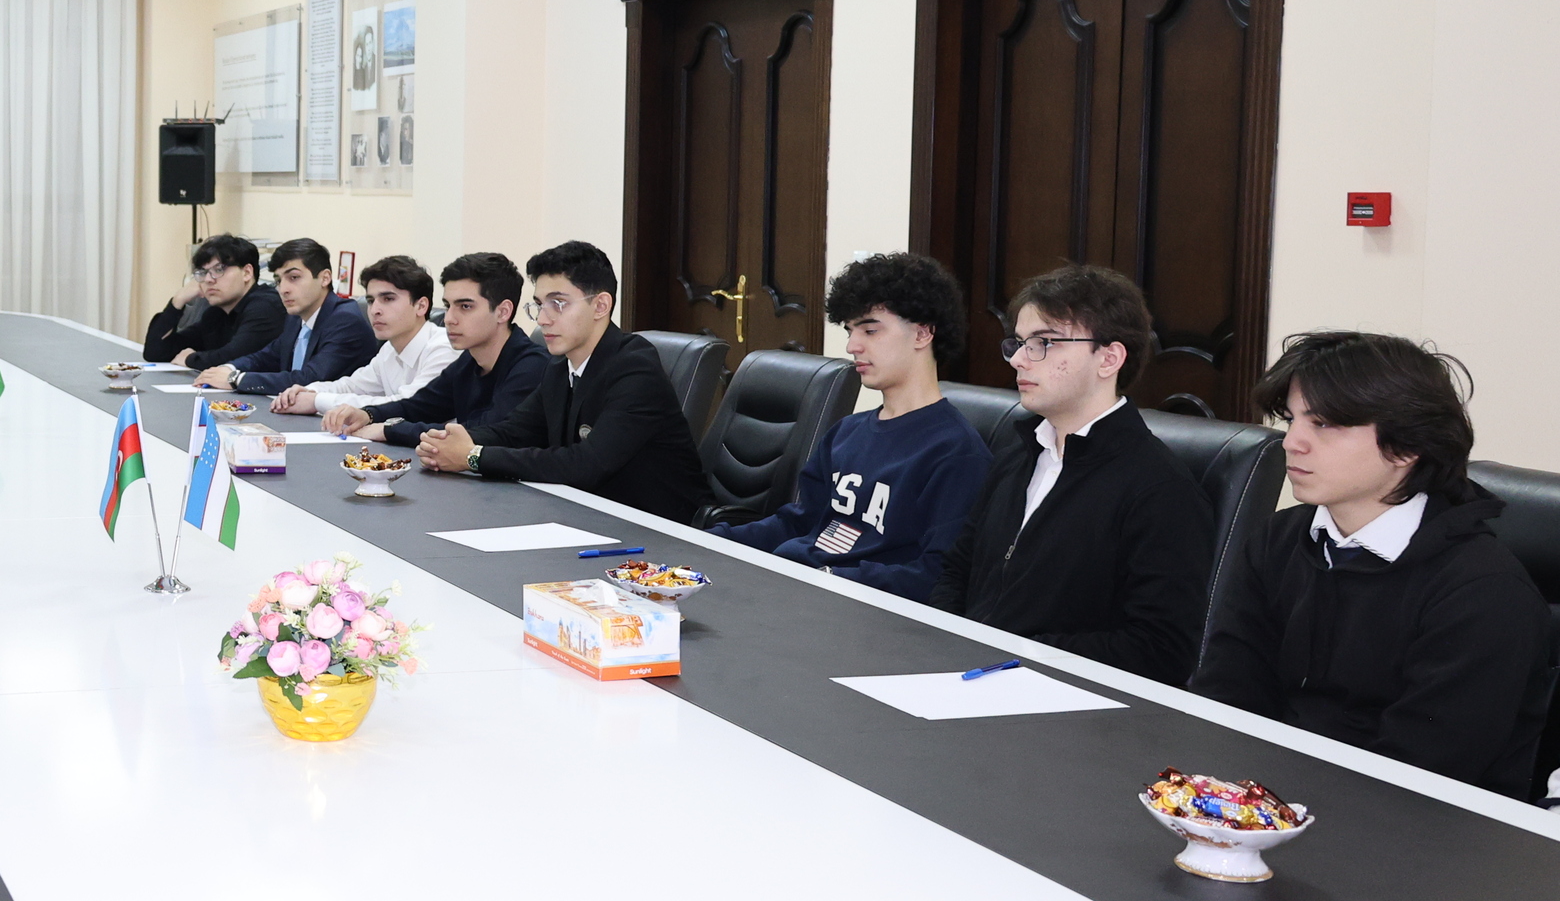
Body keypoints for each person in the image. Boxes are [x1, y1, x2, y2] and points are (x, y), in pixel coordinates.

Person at [1191, 332, 1553, 796]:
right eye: (1292, 419)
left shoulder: (1484, 592)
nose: (1292, 442)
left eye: (1324, 424)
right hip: (1267, 800)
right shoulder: (1278, 540)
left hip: (1416, 822)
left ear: (1405, 447)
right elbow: (1227, 699)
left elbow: (1422, 775)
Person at [930, 264, 1213, 685]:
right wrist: (945, 642)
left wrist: (1018, 655)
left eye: (1043, 343)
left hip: (1060, 697)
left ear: (1109, 359)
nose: (1019, 359)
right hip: (970, 673)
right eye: (1019, 343)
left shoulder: (1160, 488)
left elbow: (1161, 649)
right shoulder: (1017, 455)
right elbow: (958, 570)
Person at [717, 253, 993, 600]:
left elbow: (935, 576)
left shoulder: (957, 454)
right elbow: (798, 523)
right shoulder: (846, 432)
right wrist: (706, 542)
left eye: (870, 330)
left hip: (856, 609)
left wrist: (825, 579)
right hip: (797, 587)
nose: (852, 346)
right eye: (850, 331)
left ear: (923, 333)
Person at [420, 241, 707, 518]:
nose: (542, 319)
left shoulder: (635, 368)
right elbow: (514, 432)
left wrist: (473, 456)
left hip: (666, 529)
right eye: (539, 304)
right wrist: (444, 443)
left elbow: (586, 464)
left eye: (558, 304)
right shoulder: (560, 366)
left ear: (600, 306)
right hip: (590, 514)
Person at [326, 251, 550, 448]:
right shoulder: (469, 361)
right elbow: (421, 406)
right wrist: (368, 414)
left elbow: (485, 432)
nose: (449, 318)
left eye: (465, 306)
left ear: (503, 312)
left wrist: (390, 430)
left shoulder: (532, 365)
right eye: (448, 305)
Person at [273, 254, 450, 418]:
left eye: (388, 299)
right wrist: (309, 391)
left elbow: (407, 405)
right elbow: (351, 386)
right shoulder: (389, 349)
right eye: (371, 301)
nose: (374, 310)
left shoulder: (444, 348)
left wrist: (317, 401)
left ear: (421, 306)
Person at [199, 237, 377, 392]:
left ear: (325, 278)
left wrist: (236, 379)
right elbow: (266, 357)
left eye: (294, 278)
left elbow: (308, 379)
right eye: (279, 280)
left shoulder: (345, 320)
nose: (283, 289)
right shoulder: (295, 317)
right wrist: (228, 368)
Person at [141, 234, 284, 370]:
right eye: (203, 273)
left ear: (247, 273)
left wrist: (190, 359)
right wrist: (178, 300)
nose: (208, 279)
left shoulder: (266, 306)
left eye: (219, 270)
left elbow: (234, 359)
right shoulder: (216, 313)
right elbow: (156, 352)